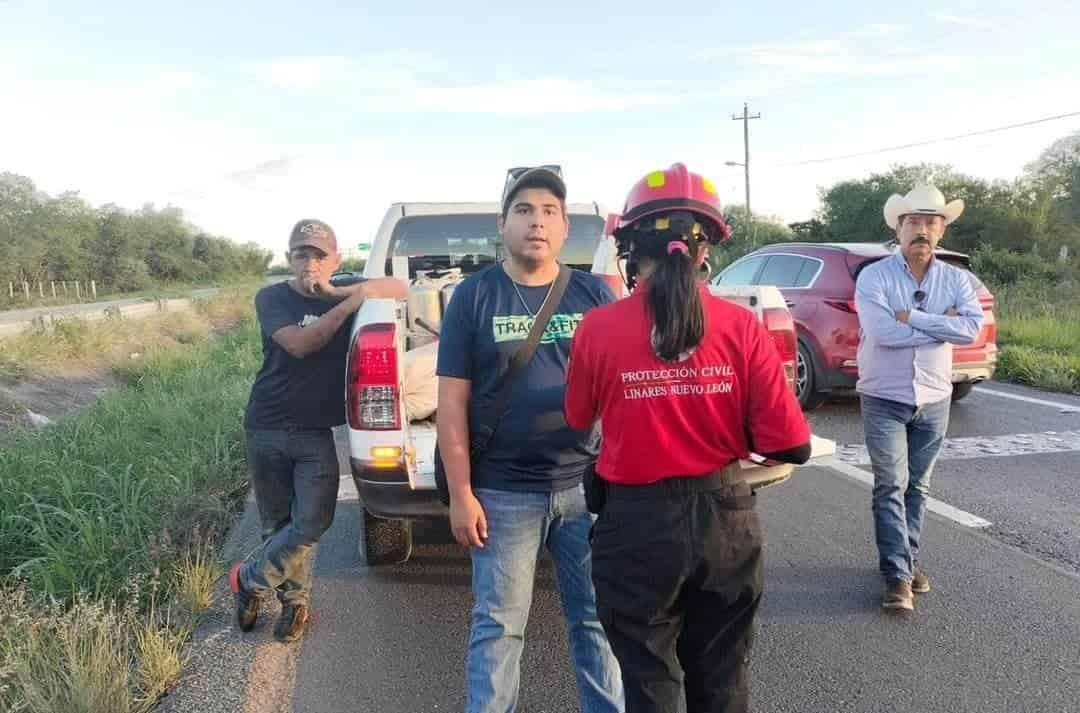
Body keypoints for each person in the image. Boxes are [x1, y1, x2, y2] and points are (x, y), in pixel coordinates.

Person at [565, 163, 811, 713]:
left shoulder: (598, 329)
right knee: (721, 680)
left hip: (635, 528)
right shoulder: (740, 326)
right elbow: (791, 445)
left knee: (649, 682)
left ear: (629, 248)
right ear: (705, 252)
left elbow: (579, 418)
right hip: (725, 522)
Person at [437, 167, 624, 712]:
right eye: (523, 210)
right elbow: (452, 404)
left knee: (596, 620)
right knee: (498, 628)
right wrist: (462, 492)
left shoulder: (595, 294)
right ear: (502, 224)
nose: (536, 222)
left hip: (586, 488)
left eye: (548, 211)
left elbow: (621, 391)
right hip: (502, 492)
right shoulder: (474, 297)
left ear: (565, 227)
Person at [230, 219, 407, 642]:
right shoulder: (271, 296)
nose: (309, 263)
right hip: (266, 425)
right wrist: (347, 304)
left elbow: (400, 290)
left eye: (318, 255)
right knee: (277, 523)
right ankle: (295, 604)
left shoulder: (343, 284)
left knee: (312, 521)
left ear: (335, 259)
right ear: (289, 258)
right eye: (300, 254)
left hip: (313, 432)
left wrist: (340, 292)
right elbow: (301, 344)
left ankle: (250, 580)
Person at [855, 184, 983, 611]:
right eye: (913, 222)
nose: (922, 230)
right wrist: (939, 323)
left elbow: (970, 330)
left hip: (934, 396)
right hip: (883, 395)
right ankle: (897, 576)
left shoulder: (958, 279)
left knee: (919, 486)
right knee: (892, 483)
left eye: (931, 222)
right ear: (898, 228)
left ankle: (904, 562)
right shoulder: (874, 276)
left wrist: (913, 316)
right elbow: (882, 333)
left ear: (942, 230)